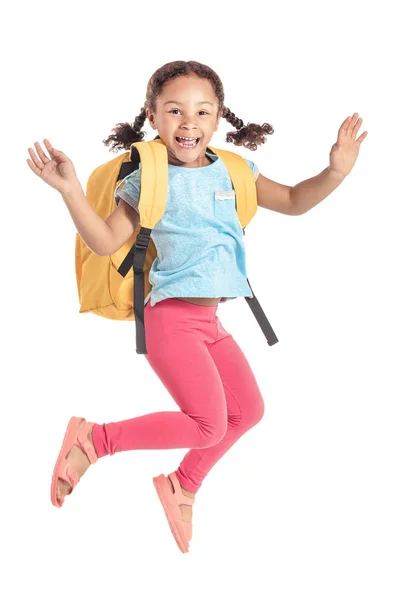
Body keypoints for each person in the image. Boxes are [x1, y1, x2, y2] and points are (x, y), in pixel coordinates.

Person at [26, 60, 367, 553]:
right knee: (208, 424)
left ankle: (182, 483)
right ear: (153, 115)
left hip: (209, 320)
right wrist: (70, 191)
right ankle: (93, 440)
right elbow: (103, 242)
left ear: (218, 116)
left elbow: (294, 199)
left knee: (247, 411)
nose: (189, 122)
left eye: (202, 111)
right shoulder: (148, 178)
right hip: (170, 319)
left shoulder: (235, 170)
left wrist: (334, 171)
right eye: (174, 111)